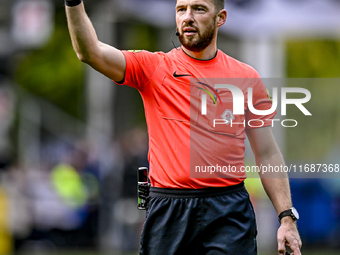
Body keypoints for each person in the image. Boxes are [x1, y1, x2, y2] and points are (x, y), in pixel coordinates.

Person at [65, 0, 302, 254]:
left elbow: (266, 154)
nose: (187, 17)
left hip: (228, 211)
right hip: (169, 210)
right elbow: (90, 52)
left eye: (199, 9)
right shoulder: (153, 68)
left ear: (220, 18)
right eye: (181, 9)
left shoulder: (246, 78)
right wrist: (73, 3)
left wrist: (286, 217)